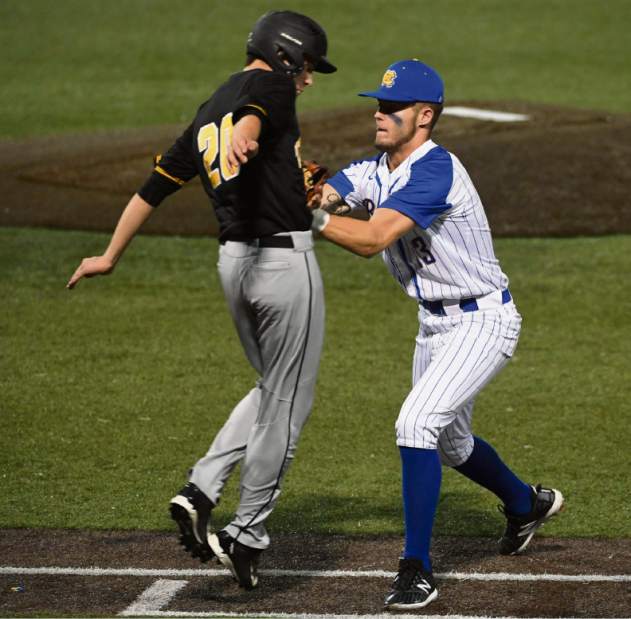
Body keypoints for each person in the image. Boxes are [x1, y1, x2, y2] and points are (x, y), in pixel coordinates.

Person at [67, 10, 336, 590]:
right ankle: (248, 533)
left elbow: (153, 188)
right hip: (283, 263)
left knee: (271, 387)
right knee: (290, 402)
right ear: (286, 55)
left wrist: (109, 255)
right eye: (308, 66)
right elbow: (258, 110)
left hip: (233, 266)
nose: (309, 79)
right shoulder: (269, 87)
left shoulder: (206, 109)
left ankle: (202, 487)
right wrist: (249, 132)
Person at [310, 59, 564, 610]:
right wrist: (308, 196)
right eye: (378, 105)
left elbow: (374, 237)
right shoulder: (377, 168)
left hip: (483, 320)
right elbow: (333, 190)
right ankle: (526, 503)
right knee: (451, 444)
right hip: (435, 325)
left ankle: (416, 568)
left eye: (391, 108)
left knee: (417, 423)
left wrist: (315, 221)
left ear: (424, 116)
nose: (379, 114)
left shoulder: (435, 171)